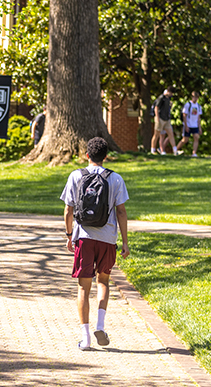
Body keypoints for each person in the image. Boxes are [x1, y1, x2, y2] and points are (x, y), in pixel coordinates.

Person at [60, 137, 130, 350]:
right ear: (106, 156)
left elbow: (68, 210)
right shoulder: (115, 179)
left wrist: (69, 234)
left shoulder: (75, 176)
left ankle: (86, 338)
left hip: (84, 237)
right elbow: (121, 211)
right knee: (104, 282)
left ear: (87, 155)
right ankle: (100, 325)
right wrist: (125, 242)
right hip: (107, 238)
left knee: (83, 287)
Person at [176, 91, 203, 157]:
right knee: (185, 139)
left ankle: (194, 153)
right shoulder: (188, 105)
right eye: (194, 97)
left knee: (196, 137)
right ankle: (176, 150)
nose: (195, 98)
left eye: (196, 97)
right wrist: (186, 125)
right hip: (188, 124)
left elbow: (198, 117)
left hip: (195, 125)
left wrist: (199, 127)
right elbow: (184, 115)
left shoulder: (198, 106)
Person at [153, 87, 179, 155]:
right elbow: (156, 108)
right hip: (160, 118)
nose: (171, 94)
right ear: (168, 91)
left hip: (167, 119)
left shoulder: (168, 99)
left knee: (171, 134)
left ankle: (175, 150)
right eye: (171, 93)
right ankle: (153, 149)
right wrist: (157, 118)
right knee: (156, 135)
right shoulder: (162, 98)